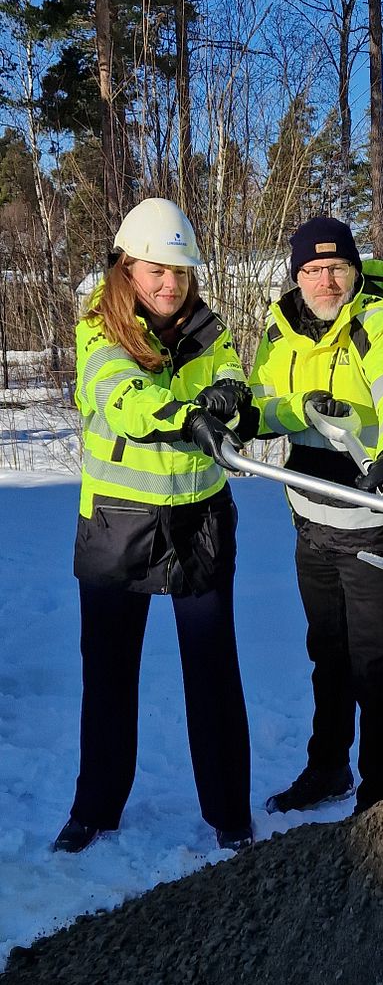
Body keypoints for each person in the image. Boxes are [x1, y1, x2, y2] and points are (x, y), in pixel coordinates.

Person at [53, 198, 257, 854]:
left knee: (213, 673)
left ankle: (229, 813)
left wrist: (229, 395)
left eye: (181, 271)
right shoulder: (97, 330)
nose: (171, 284)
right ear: (126, 267)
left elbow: (229, 367)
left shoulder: (208, 325)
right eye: (156, 270)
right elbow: (118, 396)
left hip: (199, 521)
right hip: (119, 524)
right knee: (109, 674)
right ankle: (95, 809)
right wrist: (183, 417)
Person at [250, 216, 383, 815]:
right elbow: (261, 405)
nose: (325, 281)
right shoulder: (280, 332)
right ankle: (327, 768)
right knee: (326, 653)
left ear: (354, 270)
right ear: (296, 275)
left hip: (371, 524)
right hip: (309, 518)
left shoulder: (378, 325)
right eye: (313, 270)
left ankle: (378, 795)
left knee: (373, 665)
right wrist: (282, 409)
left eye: (337, 268)